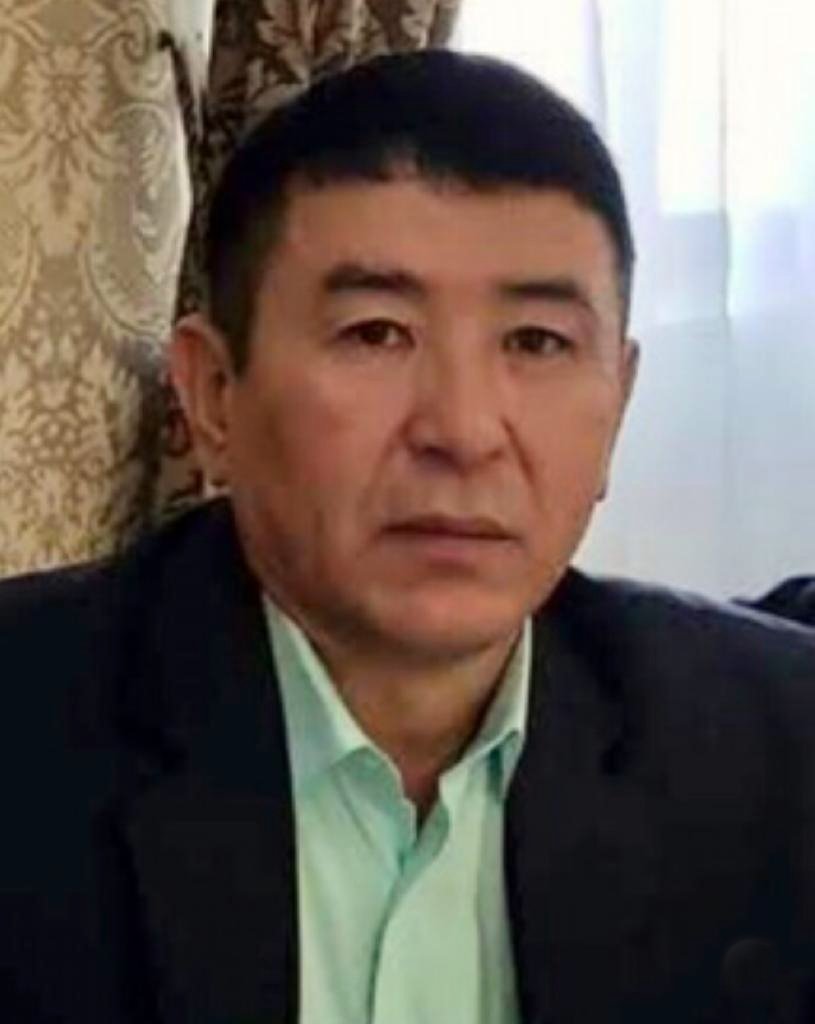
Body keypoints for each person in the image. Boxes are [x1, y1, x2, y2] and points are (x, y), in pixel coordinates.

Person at [2, 49, 815, 1024]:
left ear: (618, 402)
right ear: (213, 395)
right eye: (376, 333)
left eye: (536, 342)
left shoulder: (776, 754)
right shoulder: (28, 735)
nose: (463, 431)